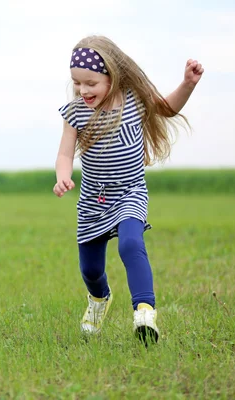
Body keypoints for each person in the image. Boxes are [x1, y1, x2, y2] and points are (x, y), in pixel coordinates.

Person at [53, 35, 203, 343]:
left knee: (130, 244)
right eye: (78, 83)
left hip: (130, 192)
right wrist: (62, 176)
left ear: (112, 75)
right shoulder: (75, 112)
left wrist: (187, 84)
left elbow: (167, 108)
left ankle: (144, 312)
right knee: (91, 270)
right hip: (93, 199)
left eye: (91, 83)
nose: (83, 90)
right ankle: (99, 300)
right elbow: (65, 153)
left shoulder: (134, 98)